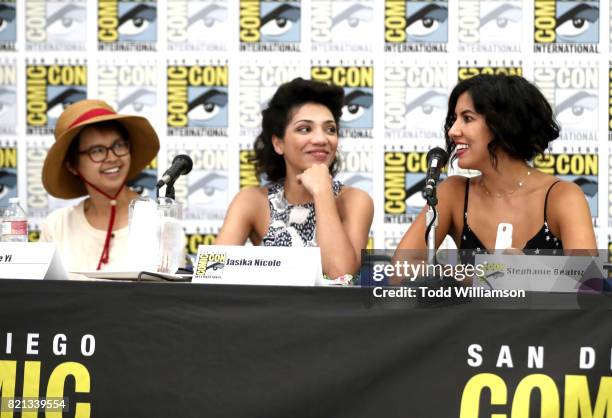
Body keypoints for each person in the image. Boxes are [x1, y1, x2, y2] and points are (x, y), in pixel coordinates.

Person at [396, 74, 596, 255]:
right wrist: (476, 276)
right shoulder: (453, 192)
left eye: (467, 118)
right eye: (454, 119)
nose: (453, 131)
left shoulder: (562, 196)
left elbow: (589, 284)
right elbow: (400, 270)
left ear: (504, 124)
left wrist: (528, 274)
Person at [216, 78, 374, 279]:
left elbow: (340, 273)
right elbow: (213, 270)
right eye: (305, 129)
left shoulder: (355, 200)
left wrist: (322, 191)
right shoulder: (252, 201)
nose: (321, 139)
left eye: (330, 129)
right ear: (278, 143)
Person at [40, 99, 160, 271]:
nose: (112, 158)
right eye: (97, 150)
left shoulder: (158, 219)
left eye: (118, 146)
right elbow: (40, 295)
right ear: (72, 166)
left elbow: (170, 294)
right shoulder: (57, 226)